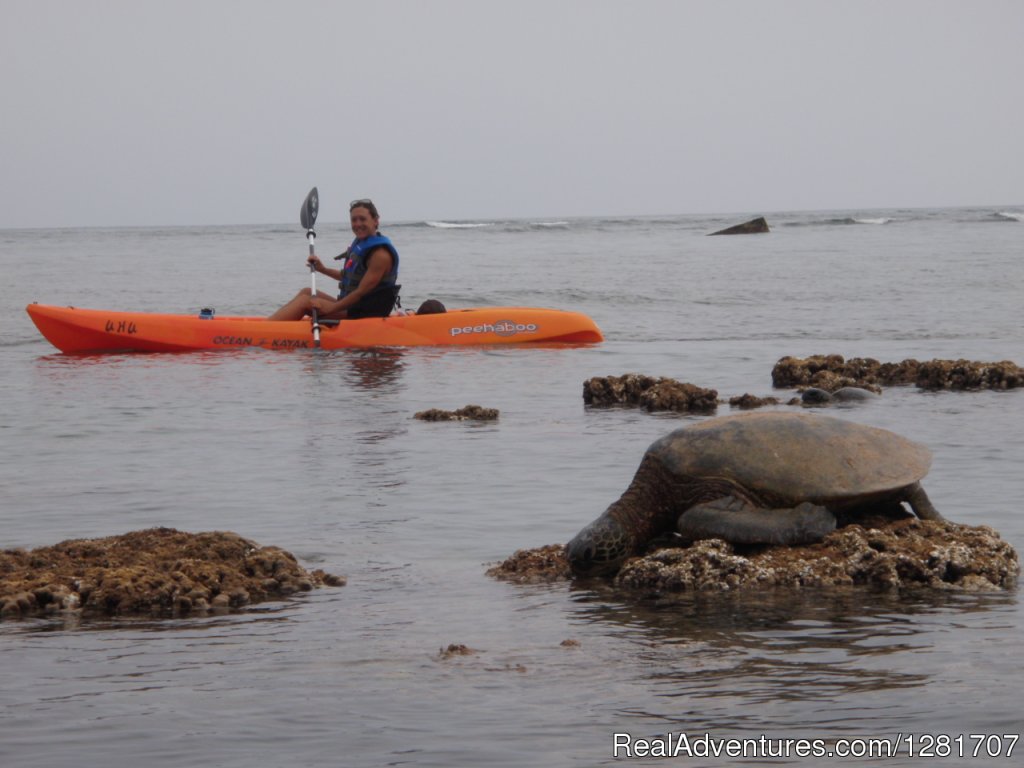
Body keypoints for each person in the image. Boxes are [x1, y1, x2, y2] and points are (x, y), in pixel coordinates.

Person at [269, 198, 400, 321]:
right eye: (354, 220)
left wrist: (331, 308)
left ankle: (265, 331)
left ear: (375, 220)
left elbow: (360, 292)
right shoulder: (363, 245)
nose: (358, 224)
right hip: (352, 307)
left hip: (364, 314)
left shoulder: (380, 255)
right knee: (307, 292)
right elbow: (348, 278)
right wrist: (323, 269)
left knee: (305, 302)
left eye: (362, 219)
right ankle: (271, 325)